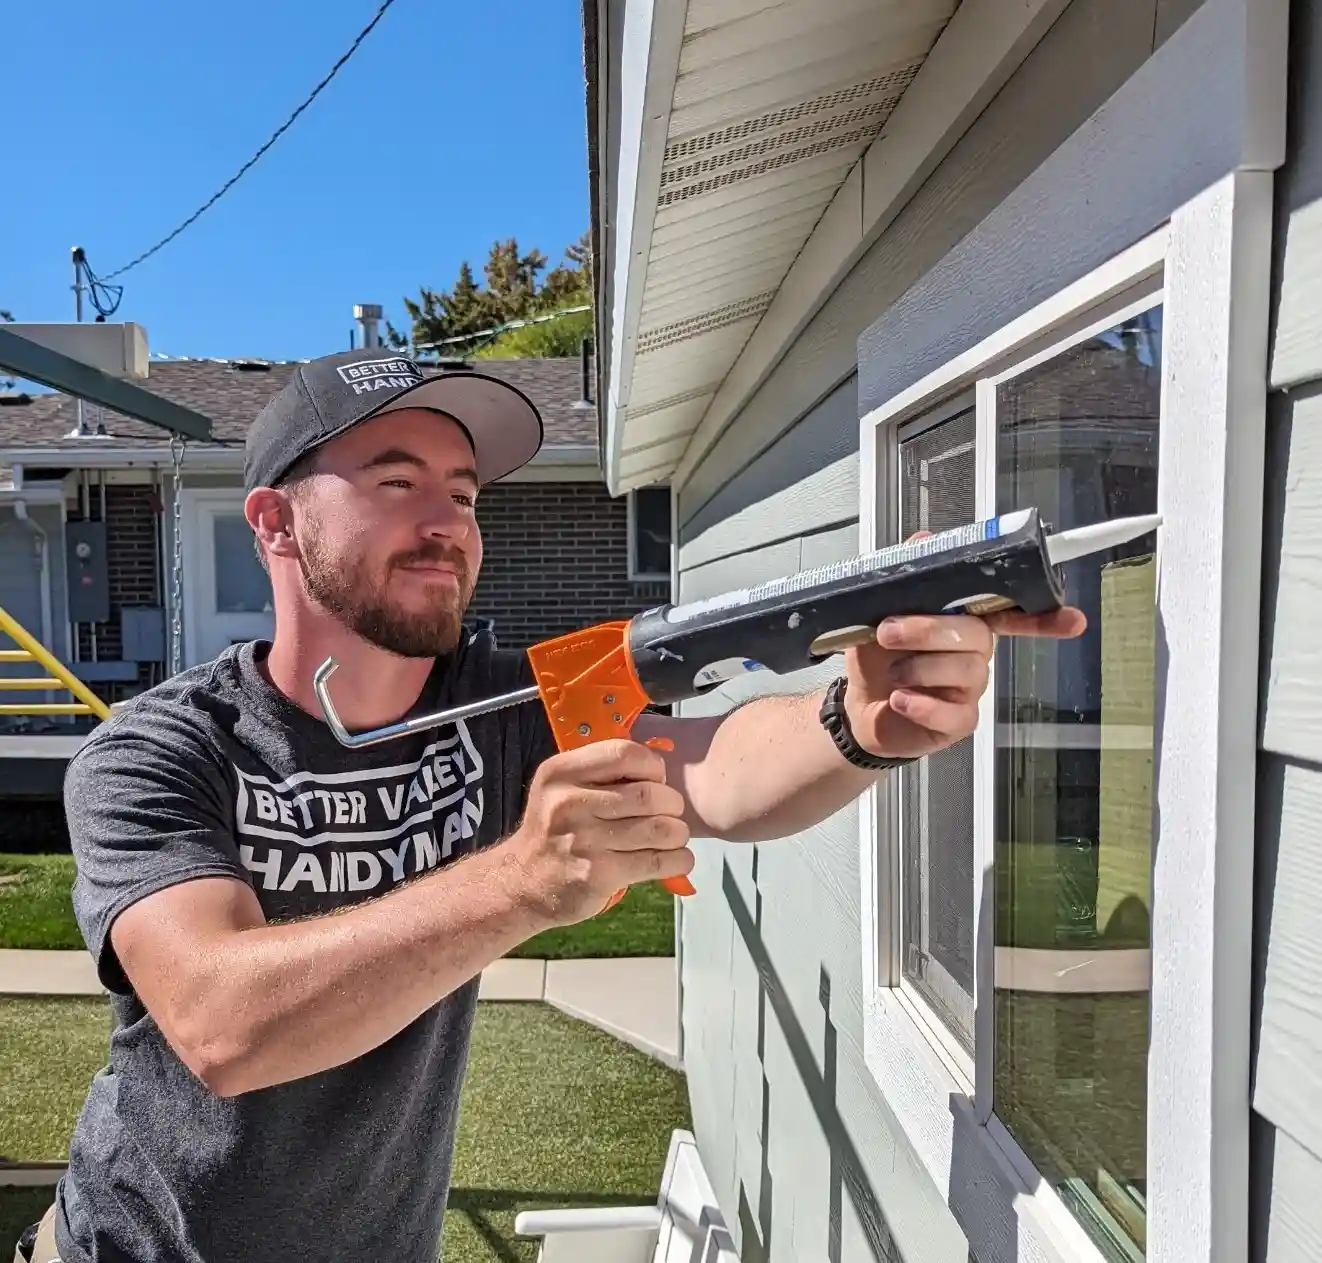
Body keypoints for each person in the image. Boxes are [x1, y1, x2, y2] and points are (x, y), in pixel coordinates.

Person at [14, 349, 1084, 1263]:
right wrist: (520, 883)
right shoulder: (158, 749)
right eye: (395, 483)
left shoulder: (509, 700)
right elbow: (220, 1024)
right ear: (275, 524)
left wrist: (856, 720)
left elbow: (715, 768)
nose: (446, 523)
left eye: (465, 492)